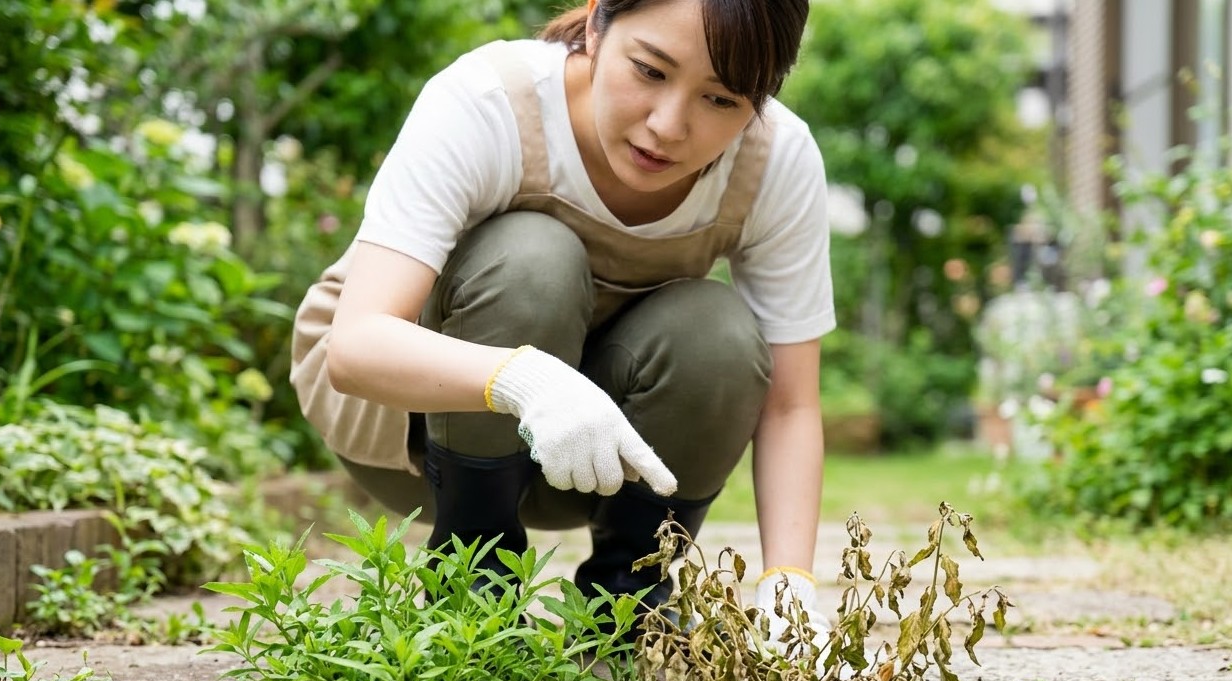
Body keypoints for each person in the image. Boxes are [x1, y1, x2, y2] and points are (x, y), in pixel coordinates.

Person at [290, 0, 836, 643]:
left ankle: (628, 609)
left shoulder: (776, 160)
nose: (667, 126)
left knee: (719, 329)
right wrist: (524, 380)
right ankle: (469, 595)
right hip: (405, 441)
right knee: (531, 257)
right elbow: (354, 346)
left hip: (598, 462)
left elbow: (790, 406)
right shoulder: (491, 100)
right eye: (650, 71)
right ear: (600, 24)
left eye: (721, 101)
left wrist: (789, 586)